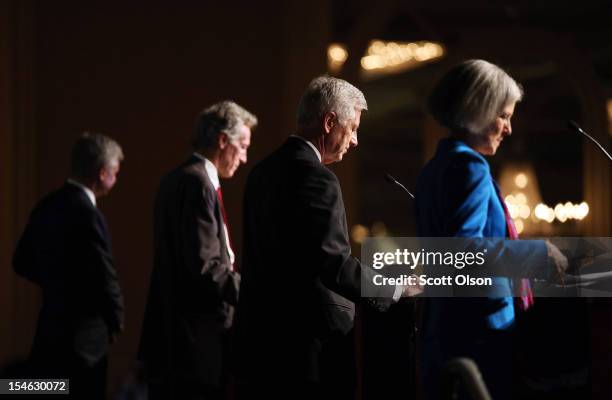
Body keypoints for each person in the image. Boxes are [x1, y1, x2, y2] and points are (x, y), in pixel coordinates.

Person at [232, 76, 409, 400]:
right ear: (329, 122)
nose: (354, 140)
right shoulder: (317, 178)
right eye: (352, 128)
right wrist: (394, 288)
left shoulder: (261, 172)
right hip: (308, 350)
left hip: (260, 344)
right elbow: (333, 263)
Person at [415, 59, 568, 399]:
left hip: (443, 328)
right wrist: (536, 252)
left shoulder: (433, 169)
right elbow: (462, 251)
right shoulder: (470, 167)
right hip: (479, 334)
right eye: (504, 116)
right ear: (478, 110)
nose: (509, 128)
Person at [138, 101, 257, 400]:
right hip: (194, 344)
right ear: (222, 141)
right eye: (242, 146)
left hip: (175, 341)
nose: (244, 158)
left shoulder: (176, 178)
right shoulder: (198, 183)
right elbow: (206, 269)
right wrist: (257, 294)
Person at [13, 132, 125, 399]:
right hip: (84, 344)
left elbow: (21, 261)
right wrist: (116, 318)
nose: (116, 179)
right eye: (116, 172)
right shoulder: (89, 215)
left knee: (45, 391)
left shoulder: (46, 206)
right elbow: (104, 274)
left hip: (49, 331)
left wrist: (56, 282)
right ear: (102, 173)